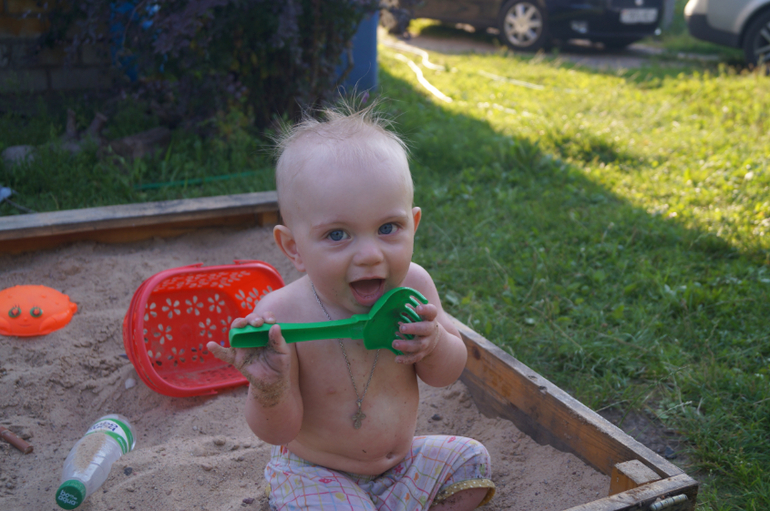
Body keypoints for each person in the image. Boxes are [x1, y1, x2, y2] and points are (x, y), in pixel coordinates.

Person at [207, 99, 495, 510]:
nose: (370, 255)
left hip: (398, 467)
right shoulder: (283, 317)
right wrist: (270, 389)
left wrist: (434, 345)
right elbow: (277, 431)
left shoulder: (414, 286)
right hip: (316, 474)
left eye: (388, 228)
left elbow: (446, 374)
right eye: (338, 235)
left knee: (471, 459)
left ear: (413, 225)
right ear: (294, 248)